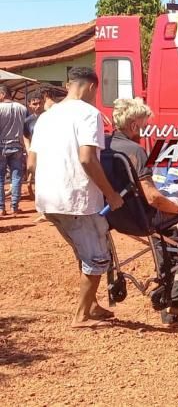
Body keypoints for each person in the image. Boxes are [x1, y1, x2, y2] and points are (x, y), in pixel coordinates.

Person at [27, 67, 124, 328]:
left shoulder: (46, 117)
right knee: (97, 258)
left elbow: (32, 162)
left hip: (48, 199)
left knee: (83, 252)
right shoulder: (89, 114)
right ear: (92, 87)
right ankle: (81, 316)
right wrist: (111, 194)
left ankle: (92, 304)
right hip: (77, 200)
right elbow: (87, 158)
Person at [107, 98, 178, 326]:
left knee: (164, 239)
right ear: (133, 125)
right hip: (145, 216)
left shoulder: (106, 146)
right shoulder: (136, 151)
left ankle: (167, 290)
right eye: (143, 124)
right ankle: (176, 306)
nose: (145, 129)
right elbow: (154, 198)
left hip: (117, 217)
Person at [0, 84, 27, 216]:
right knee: (16, 177)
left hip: (1, 147)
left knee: (0, 178)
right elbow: (26, 128)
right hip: (17, 146)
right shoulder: (22, 108)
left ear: (3, 94)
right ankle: (14, 207)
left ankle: (1, 208)